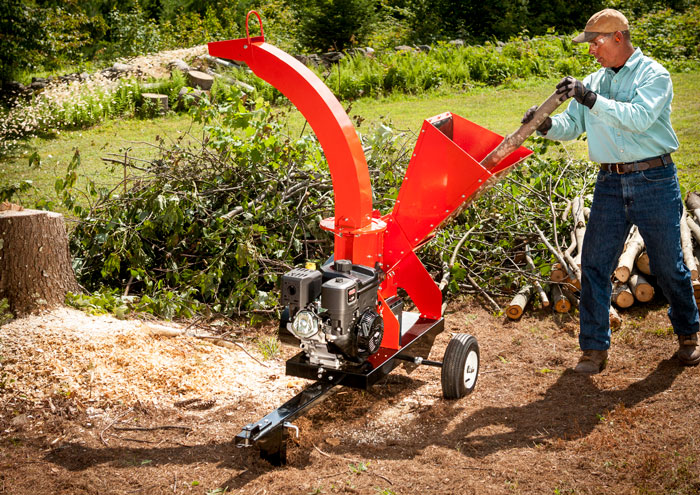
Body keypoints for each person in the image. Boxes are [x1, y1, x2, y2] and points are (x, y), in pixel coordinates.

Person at [522, 8, 700, 373]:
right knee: (595, 264)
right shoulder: (595, 80)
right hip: (609, 182)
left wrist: (590, 98)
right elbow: (572, 125)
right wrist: (545, 123)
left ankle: (689, 333)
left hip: (655, 179)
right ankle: (593, 348)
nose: (591, 50)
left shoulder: (655, 75)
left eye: (596, 42)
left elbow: (638, 119)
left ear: (618, 37)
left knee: (669, 266)